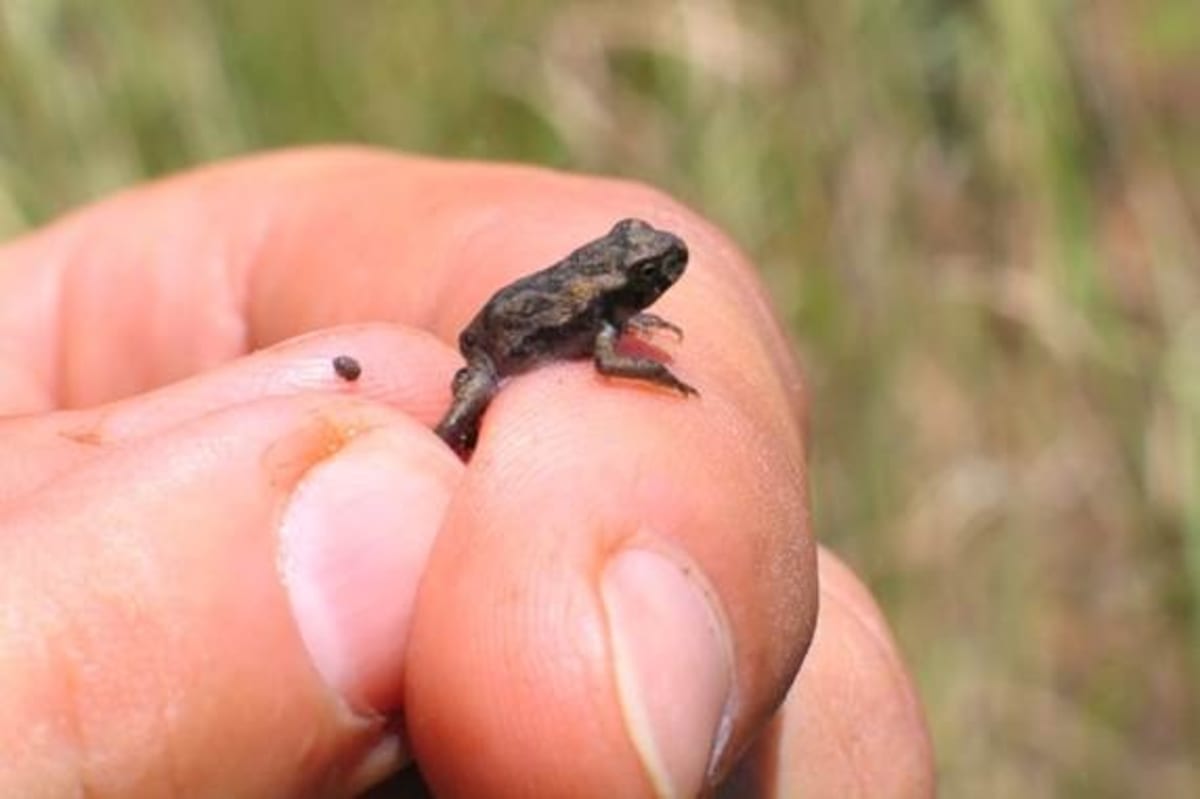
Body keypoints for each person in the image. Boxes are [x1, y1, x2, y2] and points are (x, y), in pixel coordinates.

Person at [0, 148, 934, 797]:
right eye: (650, 270)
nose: (659, 275)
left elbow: (602, 339)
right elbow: (604, 362)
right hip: (489, 352)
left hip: (508, 332)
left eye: (652, 268)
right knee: (452, 431)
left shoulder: (606, 301)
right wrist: (648, 368)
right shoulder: (600, 321)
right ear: (628, 284)